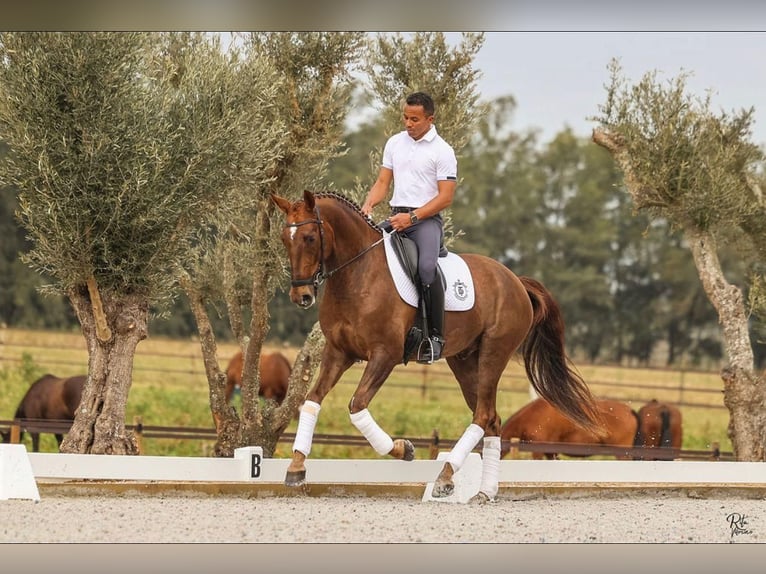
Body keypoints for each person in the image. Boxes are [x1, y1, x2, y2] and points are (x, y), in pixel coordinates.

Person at [361, 91, 457, 363]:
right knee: (366, 254)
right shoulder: (394, 143)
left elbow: (445, 197)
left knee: (426, 268)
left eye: (414, 119)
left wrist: (413, 218)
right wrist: (368, 204)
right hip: (395, 217)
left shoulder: (443, 151)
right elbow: (383, 183)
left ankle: (435, 337)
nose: (408, 123)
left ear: (430, 119)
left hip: (425, 223)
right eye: (405, 117)